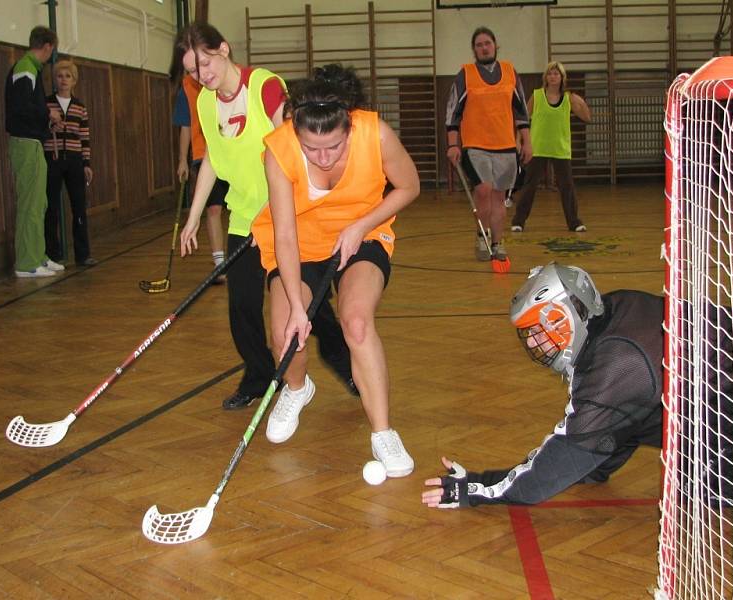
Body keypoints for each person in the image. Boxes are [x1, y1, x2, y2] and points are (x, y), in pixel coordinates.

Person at [174, 22, 355, 410]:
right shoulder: (205, 103)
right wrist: (193, 217)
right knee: (241, 307)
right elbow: (211, 161)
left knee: (306, 306)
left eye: (205, 63)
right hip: (243, 219)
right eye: (192, 70)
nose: (201, 75)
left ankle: (346, 364)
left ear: (224, 49)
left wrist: (272, 214)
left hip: (286, 216)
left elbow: (292, 154)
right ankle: (258, 378)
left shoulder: (265, 86)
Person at [253, 64, 419, 476]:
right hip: (301, 244)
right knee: (283, 333)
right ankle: (297, 388)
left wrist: (361, 226)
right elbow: (286, 237)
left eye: (335, 147)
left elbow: (409, 185)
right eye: (312, 148)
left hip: (362, 234)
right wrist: (296, 306)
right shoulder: (278, 150)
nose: (323, 157)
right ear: (297, 132)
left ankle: (382, 431)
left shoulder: (374, 132)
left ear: (349, 125)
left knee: (357, 323)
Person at [422, 262, 664, 507]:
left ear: (566, 318)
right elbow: (622, 414)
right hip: (692, 404)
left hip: (702, 442)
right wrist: (588, 463)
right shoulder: (616, 311)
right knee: (592, 447)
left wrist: (477, 488)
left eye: (539, 330)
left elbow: (553, 466)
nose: (532, 343)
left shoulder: (616, 366)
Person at [444, 26, 532, 263]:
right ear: (474, 50)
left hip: (505, 145)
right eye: (479, 45)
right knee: (482, 190)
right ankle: (481, 235)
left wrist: (527, 141)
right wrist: (453, 144)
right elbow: (453, 112)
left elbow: (521, 110)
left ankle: (497, 242)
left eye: (487, 43)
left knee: (498, 196)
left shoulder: (510, 72)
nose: (484, 48)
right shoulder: (466, 74)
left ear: (495, 45)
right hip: (475, 145)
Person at [5, 25, 65, 278]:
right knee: (31, 203)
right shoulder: (26, 68)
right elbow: (21, 106)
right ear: (49, 46)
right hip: (25, 142)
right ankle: (27, 263)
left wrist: (44, 117)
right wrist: (47, 113)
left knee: (39, 202)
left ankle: (38, 255)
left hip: (33, 141)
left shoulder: (31, 68)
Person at [511, 61, 590, 233]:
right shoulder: (537, 96)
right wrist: (519, 140)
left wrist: (580, 102)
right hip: (538, 147)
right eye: (550, 74)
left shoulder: (569, 99)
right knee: (530, 186)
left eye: (556, 74)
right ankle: (518, 221)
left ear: (562, 78)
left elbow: (587, 117)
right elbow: (523, 119)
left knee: (567, 186)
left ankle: (574, 222)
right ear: (545, 77)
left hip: (560, 148)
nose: (553, 77)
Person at [172, 73, 228, 281]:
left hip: (230, 153)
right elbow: (185, 127)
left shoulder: (222, 79)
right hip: (201, 154)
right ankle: (219, 264)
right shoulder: (186, 88)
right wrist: (182, 160)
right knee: (213, 208)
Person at [42, 59, 97, 267]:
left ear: (74, 81)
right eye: (59, 76)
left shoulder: (80, 107)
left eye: (68, 76)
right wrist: (49, 126)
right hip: (53, 158)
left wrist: (86, 163)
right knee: (51, 208)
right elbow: (40, 129)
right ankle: (53, 255)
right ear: (54, 80)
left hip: (74, 161)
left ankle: (83, 255)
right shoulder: (46, 104)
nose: (63, 80)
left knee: (79, 207)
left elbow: (84, 137)